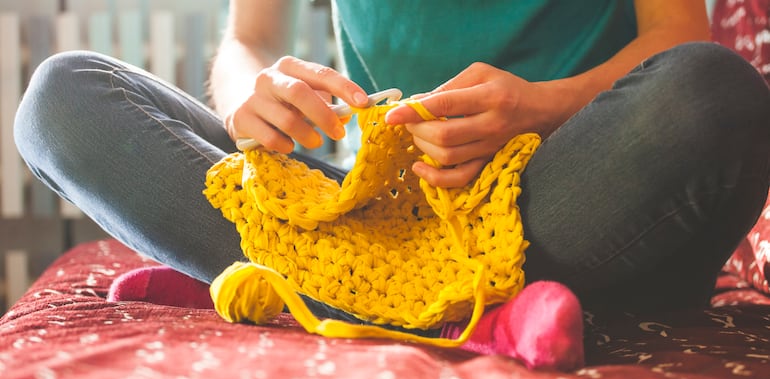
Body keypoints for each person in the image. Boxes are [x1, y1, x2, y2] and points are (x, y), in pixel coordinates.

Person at [14, 1, 770, 319]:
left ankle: (298, 287)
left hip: (565, 196)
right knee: (62, 98)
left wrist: (538, 107)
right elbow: (251, 39)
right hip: (379, 218)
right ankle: (446, 307)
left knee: (715, 94)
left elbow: (679, 40)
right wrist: (254, 94)